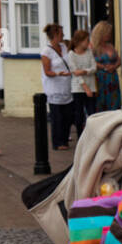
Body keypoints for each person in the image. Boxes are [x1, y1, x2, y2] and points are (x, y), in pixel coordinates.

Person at [41, 23, 74, 151]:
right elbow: (47, 71)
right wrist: (57, 73)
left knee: (68, 115)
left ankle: (65, 140)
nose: (63, 35)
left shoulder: (64, 46)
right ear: (55, 35)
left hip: (66, 86)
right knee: (57, 117)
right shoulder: (46, 52)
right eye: (61, 33)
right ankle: (57, 142)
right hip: (54, 88)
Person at [67, 29, 96, 138]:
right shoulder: (71, 54)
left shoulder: (89, 52)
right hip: (78, 88)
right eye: (86, 40)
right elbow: (75, 73)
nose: (88, 42)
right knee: (79, 115)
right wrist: (85, 87)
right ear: (79, 41)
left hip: (91, 86)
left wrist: (84, 71)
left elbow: (94, 68)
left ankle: (92, 136)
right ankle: (80, 137)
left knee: (92, 113)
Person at [91, 20, 121, 112]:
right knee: (101, 104)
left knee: (114, 104)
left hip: (112, 78)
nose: (109, 35)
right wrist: (104, 67)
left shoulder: (110, 46)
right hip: (100, 78)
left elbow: (119, 59)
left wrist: (114, 66)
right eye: (107, 33)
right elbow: (90, 62)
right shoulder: (93, 47)